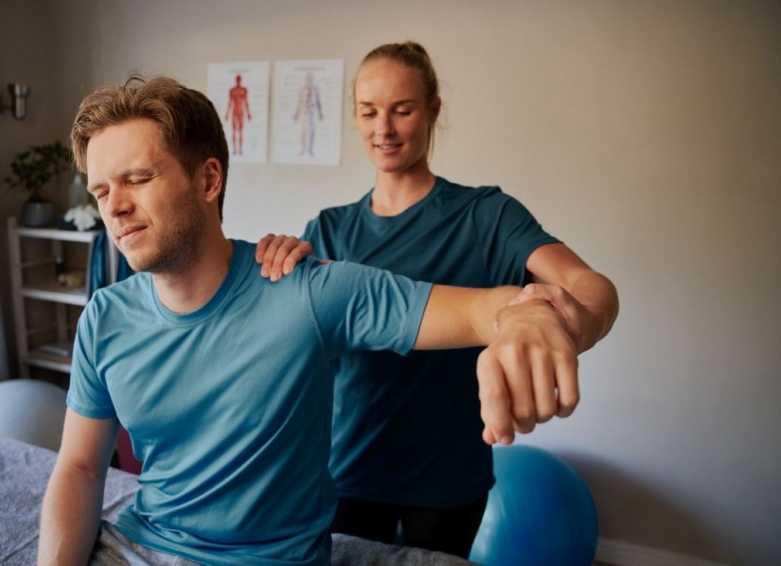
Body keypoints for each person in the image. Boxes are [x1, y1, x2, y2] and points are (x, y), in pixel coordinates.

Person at [36, 75, 579, 565]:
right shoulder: (104, 318)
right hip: (137, 544)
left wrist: (525, 316)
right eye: (102, 191)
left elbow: (485, 308)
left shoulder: (307, 290)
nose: (115, 207)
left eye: (137, 178)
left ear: (208, 180)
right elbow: (81, 468)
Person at [256, 41, 619, 557]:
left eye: (402, 110)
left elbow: (592, 287)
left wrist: (558, 324)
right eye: (368, 112)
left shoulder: (486, 216)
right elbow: (296, 351)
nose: (383, 129)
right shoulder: (328, 230)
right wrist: (278, 276)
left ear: (432, 111)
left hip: (449, 482)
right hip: (349, 473)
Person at [224, 73, 251, 155]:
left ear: (240, 80)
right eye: (237, 78)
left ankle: (240, 149)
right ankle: (235, 150)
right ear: (236, 80)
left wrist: (248, 113)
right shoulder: (232, 90)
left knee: (240, 131)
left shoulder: (244, 90)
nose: (238, 80)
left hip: (241, 112)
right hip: (234, 112)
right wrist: (227, 114)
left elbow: (246, 102)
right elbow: (230, 102)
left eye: (239, 78)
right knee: (234, 130)